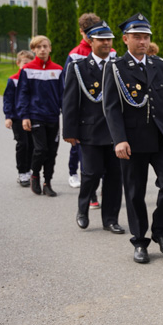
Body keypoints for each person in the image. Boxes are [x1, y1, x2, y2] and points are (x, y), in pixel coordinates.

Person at [102, 13, 163, 264]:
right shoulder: (115, 68)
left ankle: (161, 232)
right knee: (135, 193)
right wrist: (119, 139)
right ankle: (139, 240)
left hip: (161, 139)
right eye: (137, 37)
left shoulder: (160, 65)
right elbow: (111, 107)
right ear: (125, 39)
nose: (142, 42)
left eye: (146, 37)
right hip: (132, 142)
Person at [62, 20, 124, 234]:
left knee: (116, 177)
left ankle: (110, 219)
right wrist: (69, 131)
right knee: (91, 173)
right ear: (90, 41)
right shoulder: (78, 68)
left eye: (109, 39)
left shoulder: (119, 66)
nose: (107, 43)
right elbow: (70, 101)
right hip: (90, 131)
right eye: (102, 39)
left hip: (116, 132)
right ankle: (82, 210)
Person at [61, 13, 113, 191]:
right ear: (82, 33)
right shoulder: (75, 55)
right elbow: (68, 87)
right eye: (86, 32)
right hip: (86, 114)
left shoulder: (110, 51)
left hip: (106, 115)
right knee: (79, 150)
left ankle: (107, 189)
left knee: (107, 159)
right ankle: (75, 174)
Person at [16, 35, 64, 197]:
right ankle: (34, 175)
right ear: (34, 50)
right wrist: (24, 116)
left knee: (52, 152)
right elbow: (22, 94)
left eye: (45, 46)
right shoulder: (27, 69)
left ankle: (47, 183)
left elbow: (63, 95)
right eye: (38, 47)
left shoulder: (58, 70)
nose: (42, 49)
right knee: (40, 149)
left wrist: (68, 114)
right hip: (36, 116)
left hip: (53, 116)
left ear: (50, 48)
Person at [3, 50, 35, 187]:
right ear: (18, 63)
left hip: (33, 117)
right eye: (24, 63)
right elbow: (8, 99)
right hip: (17, 118)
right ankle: (22, 172)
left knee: (33, 145)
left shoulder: (35, 78)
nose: (27, 66)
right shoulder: (13, 80)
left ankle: (31, 171)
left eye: (30, 63)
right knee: (23, 144)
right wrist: (8, 116)